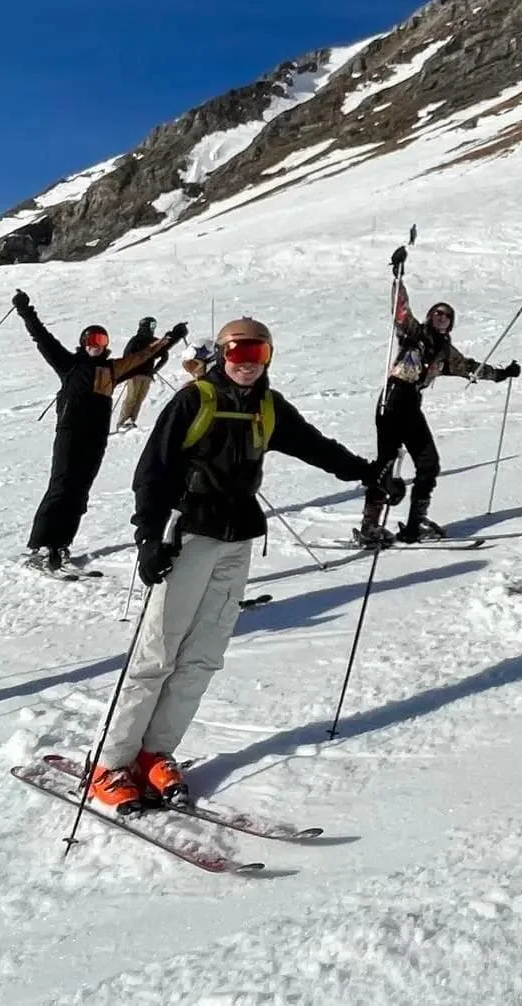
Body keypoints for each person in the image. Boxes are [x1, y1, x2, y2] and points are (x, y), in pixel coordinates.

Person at [90, 318, 403, 808]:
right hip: (187, 537)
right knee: (158, 653)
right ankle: (111, 763)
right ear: (221, 354)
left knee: (204, 655)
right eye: (238, 353)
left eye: (258, 354)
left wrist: (368, 474)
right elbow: (153, 469)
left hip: (237, 540)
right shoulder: (194, 400)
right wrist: (148, 537)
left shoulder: (268, 408)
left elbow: (314, 446)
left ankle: (155, 753)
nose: (247, 363)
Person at [356, 245, 521, 546]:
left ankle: (414, 524)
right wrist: (397, 276)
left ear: (450, 324)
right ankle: (370, 524)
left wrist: (500, 374)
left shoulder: (445, 353)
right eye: (437, 313)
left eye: (447, 315)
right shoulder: (413, 333)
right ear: (430, 317)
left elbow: (470, 367)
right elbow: (400, 309)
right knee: (387, 461)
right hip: (393, 397)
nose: (441, 317)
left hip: (411, 405)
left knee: (428, 463)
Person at [12, 290, 186, 570]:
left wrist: (172, 338)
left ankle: (62, 545)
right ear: (83, 343)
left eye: (101, 340)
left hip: (95, 438)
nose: (96, 345)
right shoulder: (69, 364)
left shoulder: (111, 369)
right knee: (61, 486)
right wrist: (25, 310)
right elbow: (42, 338)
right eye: (92, 340)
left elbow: (144, 356)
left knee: (80, 491)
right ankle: (43, 545)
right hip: (71, 433)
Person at [113, 317, 168, 433]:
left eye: (154, 325)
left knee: (139, 399)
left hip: (146, 375)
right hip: (135, 374)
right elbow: (126, 355)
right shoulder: (136, 340)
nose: (152, 328)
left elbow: (165, 356)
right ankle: (122, 423)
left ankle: (131, 421)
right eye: (151, 325)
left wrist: (154, 369)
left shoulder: (154, 341)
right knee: (131, 398)